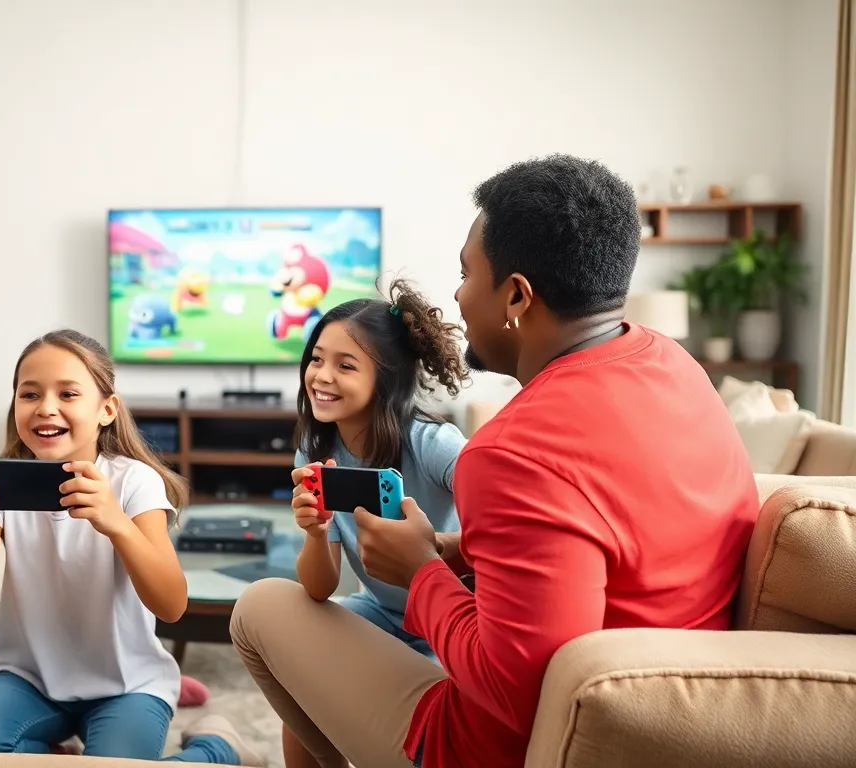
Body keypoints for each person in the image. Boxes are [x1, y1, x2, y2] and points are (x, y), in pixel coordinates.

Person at [230, 154, 759, 768]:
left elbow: (514, 692)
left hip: (508, 741)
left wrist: (422, 569)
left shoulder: (510, 451)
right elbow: (591, 534)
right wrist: (461, 551)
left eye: (465, 273)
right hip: (666, 712)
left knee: (260, 607)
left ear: (515, 295)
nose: (455, 295)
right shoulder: (674, 366)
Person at [0, 329, 260, 765]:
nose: (46, 407)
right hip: (29, 679)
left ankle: (215, 748)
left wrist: (117, 524)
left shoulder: (134, 482)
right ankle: (61, 748)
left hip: (127, 684)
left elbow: (171, 605)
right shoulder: (2, 485)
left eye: (68, 393)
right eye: (29, 393)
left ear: (106, 410)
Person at [284, 286, 468, 768]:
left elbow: (506, 520)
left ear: (385, 380)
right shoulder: (315, 450)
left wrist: (438, 546)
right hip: (382, 613)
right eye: (317, 359)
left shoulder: (432, 443)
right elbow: (319, 589)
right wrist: (316, 531)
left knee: (414, 723)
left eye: (346, 365)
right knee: (301, 682)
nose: (321, 377)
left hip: (446, 621)